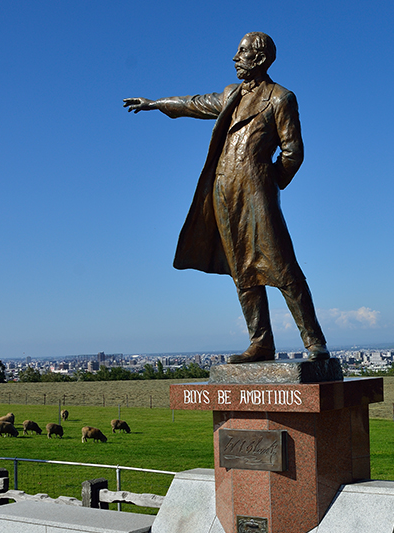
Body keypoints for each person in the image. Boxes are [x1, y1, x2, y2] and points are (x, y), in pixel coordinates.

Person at [124, 32, 328, 363]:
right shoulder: (231, 94)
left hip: (258, 194)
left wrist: (267, 181)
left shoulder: (280, 98)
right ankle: (260, 341)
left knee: (282, 264)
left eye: (242, 52)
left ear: (259, 59)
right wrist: (156, 104)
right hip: (224, 195)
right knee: (241, 270)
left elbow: (293, 153)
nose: (235, 58)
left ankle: (313, 339)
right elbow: (194, 103)